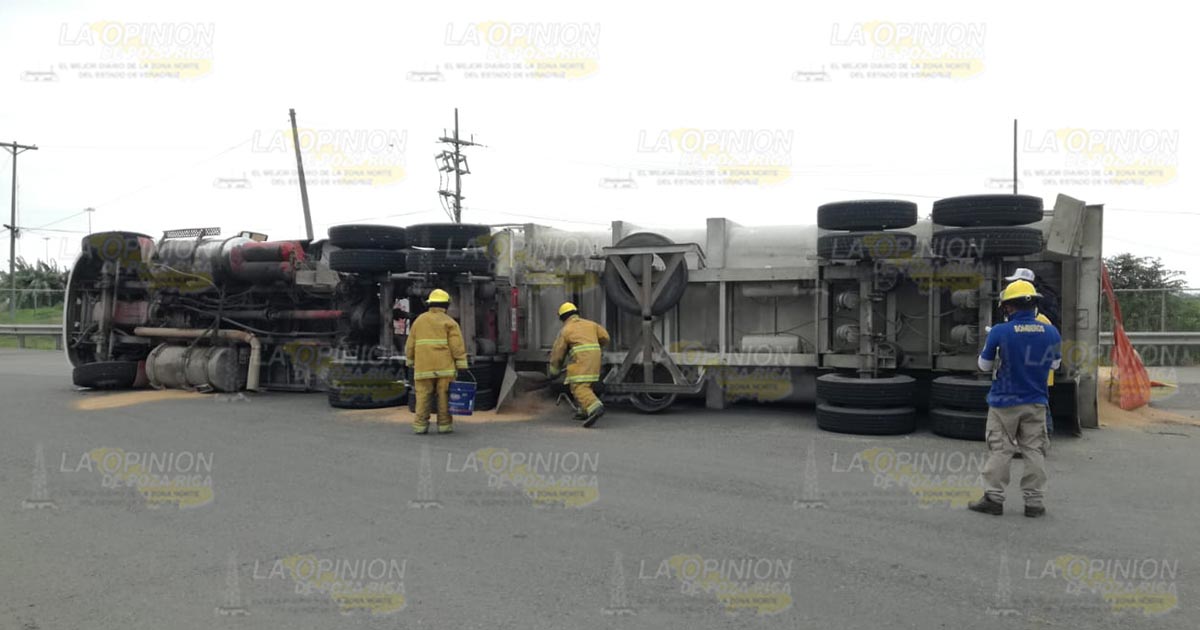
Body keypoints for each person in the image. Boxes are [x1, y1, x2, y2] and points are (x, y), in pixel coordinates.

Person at [968, 280, 1061, 518]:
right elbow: (1055, 364)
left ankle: (993, 499)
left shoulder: (1000, 331)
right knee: (1034, 451)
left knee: (1000, 450)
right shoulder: (1051, 332)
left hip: (1003, 403)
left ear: (1008, 307)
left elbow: (983, 365)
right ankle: (1034, 503)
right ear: (1034, 306)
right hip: (1036, 401)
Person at [404, 289, 469, 435]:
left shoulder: (419, 321)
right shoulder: (449, 322)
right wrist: (462, 364)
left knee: (422, 396)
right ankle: (444, 426)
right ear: (446, 305)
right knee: (444, 396)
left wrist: (410, 360)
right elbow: (456, 346)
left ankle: (420, 426)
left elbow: (410, 343)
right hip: (444, 368)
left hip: (423, 367)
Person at [1004, 268, 1057, 437]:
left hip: (1035, 373)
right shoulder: (1040, 318)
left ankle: (1042, 436)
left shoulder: (1041, 320)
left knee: (1039, 406)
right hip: (1034, 373)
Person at [549, 302, 610, 428]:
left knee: (579, 387)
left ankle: (595, 407)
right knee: (587, 385)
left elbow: (558, 354)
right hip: (595, 359)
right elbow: (605, 337)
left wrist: (554, 371)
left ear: (563, 318)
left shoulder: (566, 330)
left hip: (582, 361)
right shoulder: (591, 324)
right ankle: (584, 410)